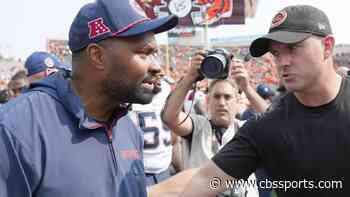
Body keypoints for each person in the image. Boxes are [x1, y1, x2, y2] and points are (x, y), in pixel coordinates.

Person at [0, 0, 178, 197]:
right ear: (98, 56)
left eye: (155, 54)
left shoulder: (129, 130)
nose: (157, 67)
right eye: (144, 53)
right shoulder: (18, 128)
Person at [180, 5, 350, 197]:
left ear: (327, 46)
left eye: (293, 48)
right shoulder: (266, 126)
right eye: (276, 53)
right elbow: (209, 180)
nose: (283, 62)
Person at [161, 50, 258, 197]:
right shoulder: (197, 127)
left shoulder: (246, 128)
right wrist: (190, 77)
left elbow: (278, 124)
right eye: (217, 97)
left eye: (228, 97)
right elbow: (169, 117)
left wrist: (247, 88)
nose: (222, 103)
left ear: (238, 101)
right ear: (208, 101)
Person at [128, 68, 175, 185]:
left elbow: (174, 137)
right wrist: (136, 156)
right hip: (137, 172)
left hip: (165, 170)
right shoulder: (130, 93)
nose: (160, 75)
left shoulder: (165, 89)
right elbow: (122, 149)